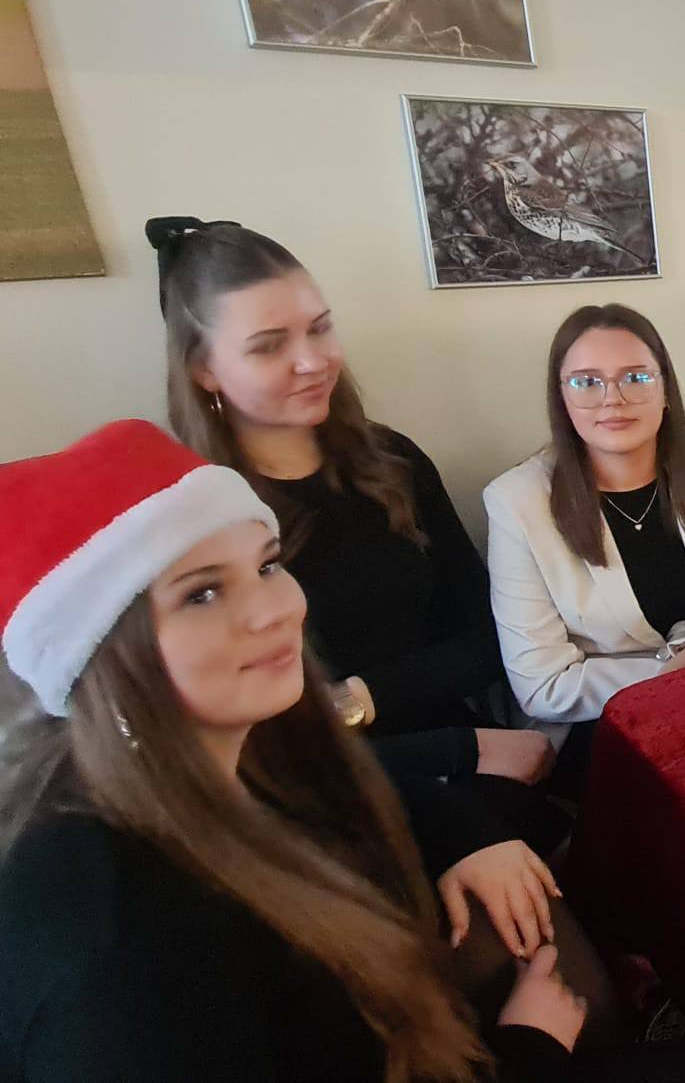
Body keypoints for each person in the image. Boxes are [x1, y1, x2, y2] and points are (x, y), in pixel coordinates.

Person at [0, 423, 600, 1080]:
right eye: (201, 593)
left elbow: (337, 785)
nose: (278, 610)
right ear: (98, 658)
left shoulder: (224, 748)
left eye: (267, 565)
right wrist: (531, 1052)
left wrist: (462, 827)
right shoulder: (118, 952)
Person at [147, 217, 551, 794]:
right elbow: (242, 742)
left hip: (461, 750)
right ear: (203, 369)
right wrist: (449, 748)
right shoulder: (182, 510)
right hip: (318, 787)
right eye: (269, 346)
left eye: (320, 329)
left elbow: (487, 633)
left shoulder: (392, 461)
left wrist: (362, 699)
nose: (313, 361)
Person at [486, 305, 685, 772]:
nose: (612, 399)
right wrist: (674, 676)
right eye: (586, 382)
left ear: (666, 390)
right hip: (598, 722)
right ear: (561, 398)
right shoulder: (516, 501)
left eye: (636, 378)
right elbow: (542, 687)